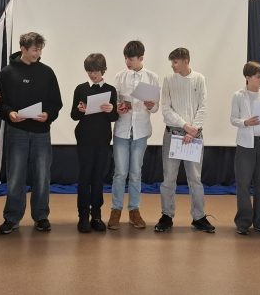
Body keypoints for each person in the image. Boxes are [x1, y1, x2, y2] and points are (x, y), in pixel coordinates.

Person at [0, 32, 63, 234]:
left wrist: (48, 114)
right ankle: (12, 218)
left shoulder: (47, 72)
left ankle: (41, 216)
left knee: (42, 176)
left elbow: (56, 102)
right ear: (23, 49)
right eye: (34, 49)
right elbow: (0, 102)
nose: (38, 53)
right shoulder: (7, 73)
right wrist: (10, 113)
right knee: (15, 176)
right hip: (16, 131)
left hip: (41, 132)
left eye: (40, 49)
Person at [155, 47, 214, 233]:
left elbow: (203, 107)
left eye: (175, 62)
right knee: (169, 178)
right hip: (173, 134)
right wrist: (184, 125)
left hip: (194, 136)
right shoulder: (169, 80)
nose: (172, 65)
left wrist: (192, 130)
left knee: (195, 179)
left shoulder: (199, 79)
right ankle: (166, 215)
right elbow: (166, 109)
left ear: (186, 61)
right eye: (172, 62)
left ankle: (199, 217)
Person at [110, 41, 159, 230]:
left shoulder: (152, 77)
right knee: (120, 172)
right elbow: (114, 101)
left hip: (141, 131)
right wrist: (119, 107)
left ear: (141, 58)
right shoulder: (120, 76)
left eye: (131, 59)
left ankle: (134, 210)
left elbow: (155, 107)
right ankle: (116, 210)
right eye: (126, 58)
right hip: (122, 130)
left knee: (136, 172)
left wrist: (151, 105)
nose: (127, 62)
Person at [70, 53, 119, 233]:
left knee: (98, 177)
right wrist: (80, 110)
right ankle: (83, 216)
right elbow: (74, 115)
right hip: (84, 138)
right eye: (89, 71)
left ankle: (96, 215)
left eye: (96, 71)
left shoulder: (111, 90)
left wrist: (111, 109)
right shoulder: (81, 89)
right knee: (85, 177)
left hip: (102, 138)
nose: (92, 75)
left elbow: (114, 117)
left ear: (103, 70)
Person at [230, 61, 260, 235]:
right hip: (246, 144)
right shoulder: (239, 95)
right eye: (258, 76)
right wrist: (246, 122)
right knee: (243, 184)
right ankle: (243, 222)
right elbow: (233, 119)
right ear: (248, 77)